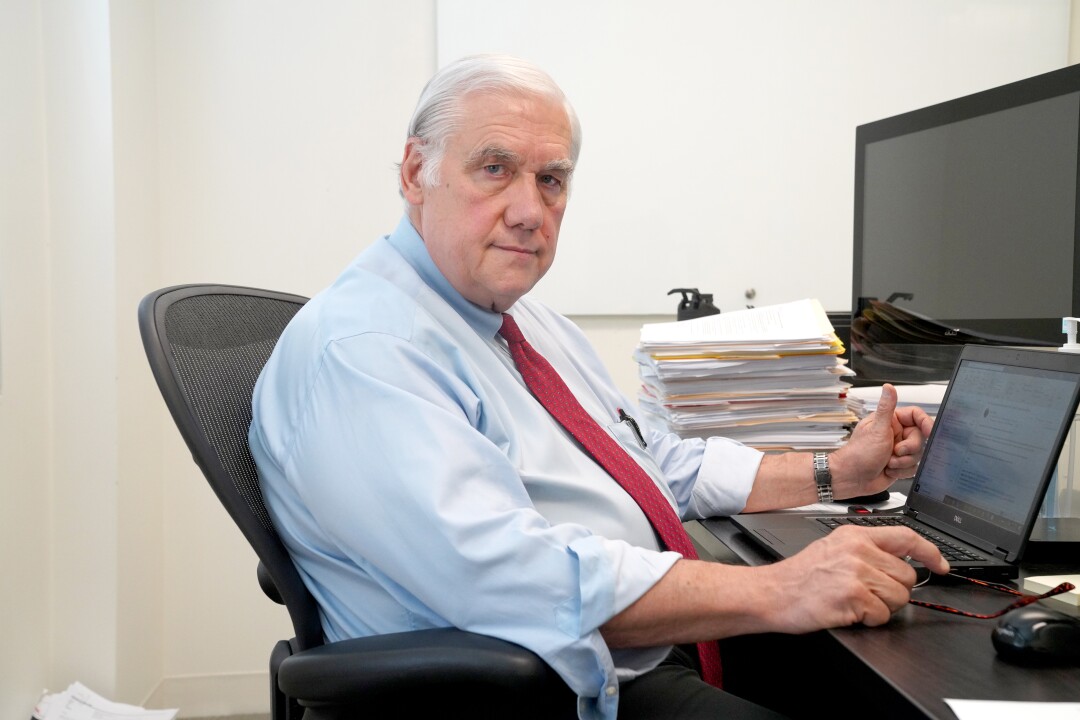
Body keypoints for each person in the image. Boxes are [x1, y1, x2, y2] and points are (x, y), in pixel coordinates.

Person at [249, 54, 948, 719]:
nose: (529, 209)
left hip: (627, 646)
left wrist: (835, 471)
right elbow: (504, 575)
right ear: (414, 172)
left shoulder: (529, 323)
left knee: (890, 681)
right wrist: (779, 589)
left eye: (551, 180)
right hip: (539, 692)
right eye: (495, 169)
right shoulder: (367, 348)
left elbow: (649, 466)